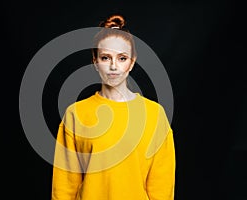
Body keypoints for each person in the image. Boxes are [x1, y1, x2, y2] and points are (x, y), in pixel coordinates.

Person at [52, 14, 176, 200]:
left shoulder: (154, 115)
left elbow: (162, 188)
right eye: (105, 57)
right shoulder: (76, 114)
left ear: (132, 62)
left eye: (122, 58)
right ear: (95, 61)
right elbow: (64, 187)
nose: (113, 66)